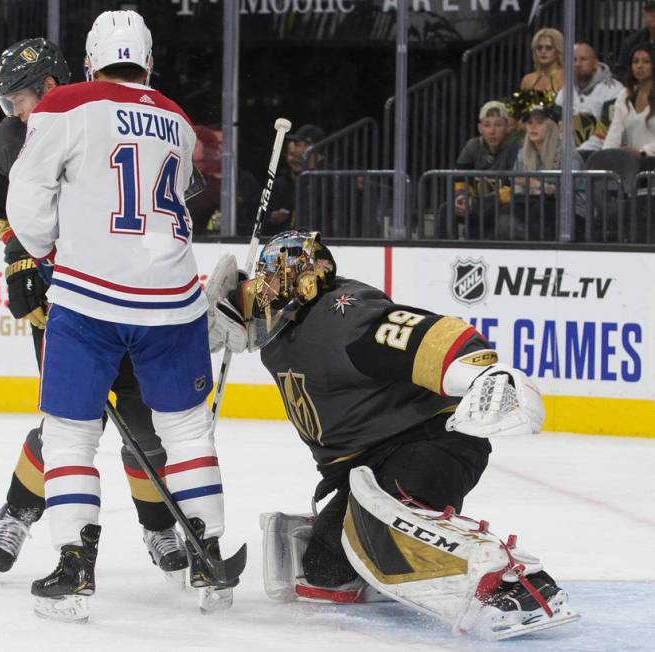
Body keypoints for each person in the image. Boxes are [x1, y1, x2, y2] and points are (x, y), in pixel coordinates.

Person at [205, 231, 579, 640]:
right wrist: (228, 304)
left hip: (429, 442)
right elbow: (246, 312)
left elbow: (431, 338)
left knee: (389, 521)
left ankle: (517, 582)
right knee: (324, 572)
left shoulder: (341, 317)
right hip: (364, 468)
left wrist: (481, 374)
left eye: (271, 280)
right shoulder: (279, 338)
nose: (264, 292)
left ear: (301, 280)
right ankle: (392, 568)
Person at [6, 11, 239, 621]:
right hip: (172, 298)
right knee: (187, 431)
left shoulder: (66, 104)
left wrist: (51, 250)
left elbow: (26, 203)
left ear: (89, 59)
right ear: (149, 62)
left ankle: (74, 563)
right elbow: (180, 191)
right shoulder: (180, 120)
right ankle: (208, 554)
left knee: (70, 434)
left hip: (89, 300)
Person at [0, 38, 189, 586]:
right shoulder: (15, 137)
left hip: (134, 293)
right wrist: (20, 262)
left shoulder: (95, 119)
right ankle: (18, 511)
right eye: (8, 104)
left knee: (146, 421)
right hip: (69, 298)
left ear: (50, 87)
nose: (13, 114)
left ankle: (157, 524)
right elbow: (15, 208)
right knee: (74, 419)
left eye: (18, 99)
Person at [444, 100, 521, 239]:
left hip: (502, 205)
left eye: (498, 125)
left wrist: (480, 203)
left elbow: (515, 187)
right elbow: (460, 179)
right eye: (487, 125)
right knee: (446, 209)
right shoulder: (472, 146)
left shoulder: (516, 148)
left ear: (507, 126)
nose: (492, 131)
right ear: (480, 128)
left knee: (505, 216)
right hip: (475, 204)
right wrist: (462, 197)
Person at [512, 102, 586, 240]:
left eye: (540, 123)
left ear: (552, 127)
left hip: (572, 211)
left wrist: (538, 185)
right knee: (508, 211)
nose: (533, 127)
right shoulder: (523, 154)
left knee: (539, 210)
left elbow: (568, 192)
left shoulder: (568, 156)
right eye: (529, 123)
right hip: (534, 204)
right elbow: (517, 185)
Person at [555, 43, 622, 153]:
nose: (577, 64)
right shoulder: (564, 92)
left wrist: (578, 154)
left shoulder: (614, 90)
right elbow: (557, 128)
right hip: (568, 158)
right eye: (574, 60)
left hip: (601, 156)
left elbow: (607, 131)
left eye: (583, 59)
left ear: (595, 63)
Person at [266, 123, 324, 236]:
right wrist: (272, 218)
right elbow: (263, 219)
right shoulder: (279, 184)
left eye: (305, 145)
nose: (295, 160)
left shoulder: (327, 181)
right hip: (281, 244)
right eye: (291, 155)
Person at [603, 43, 655, 160]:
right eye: (635, 61)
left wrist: (643, 152)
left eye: (646, 62)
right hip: (633, 164)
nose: (639, 66)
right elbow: (615, 133)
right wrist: (605, 157)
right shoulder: (625, 94)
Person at [615, 1, 655, 79]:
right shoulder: (631, 42)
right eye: (650, 12)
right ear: (644, 17)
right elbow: (620, 71)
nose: (654, 15)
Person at [520, 28, 564, 95]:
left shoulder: (567, 78)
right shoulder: (527, 80)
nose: (543, 51)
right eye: (539, 48)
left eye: (549, 48)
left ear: (558, 51)